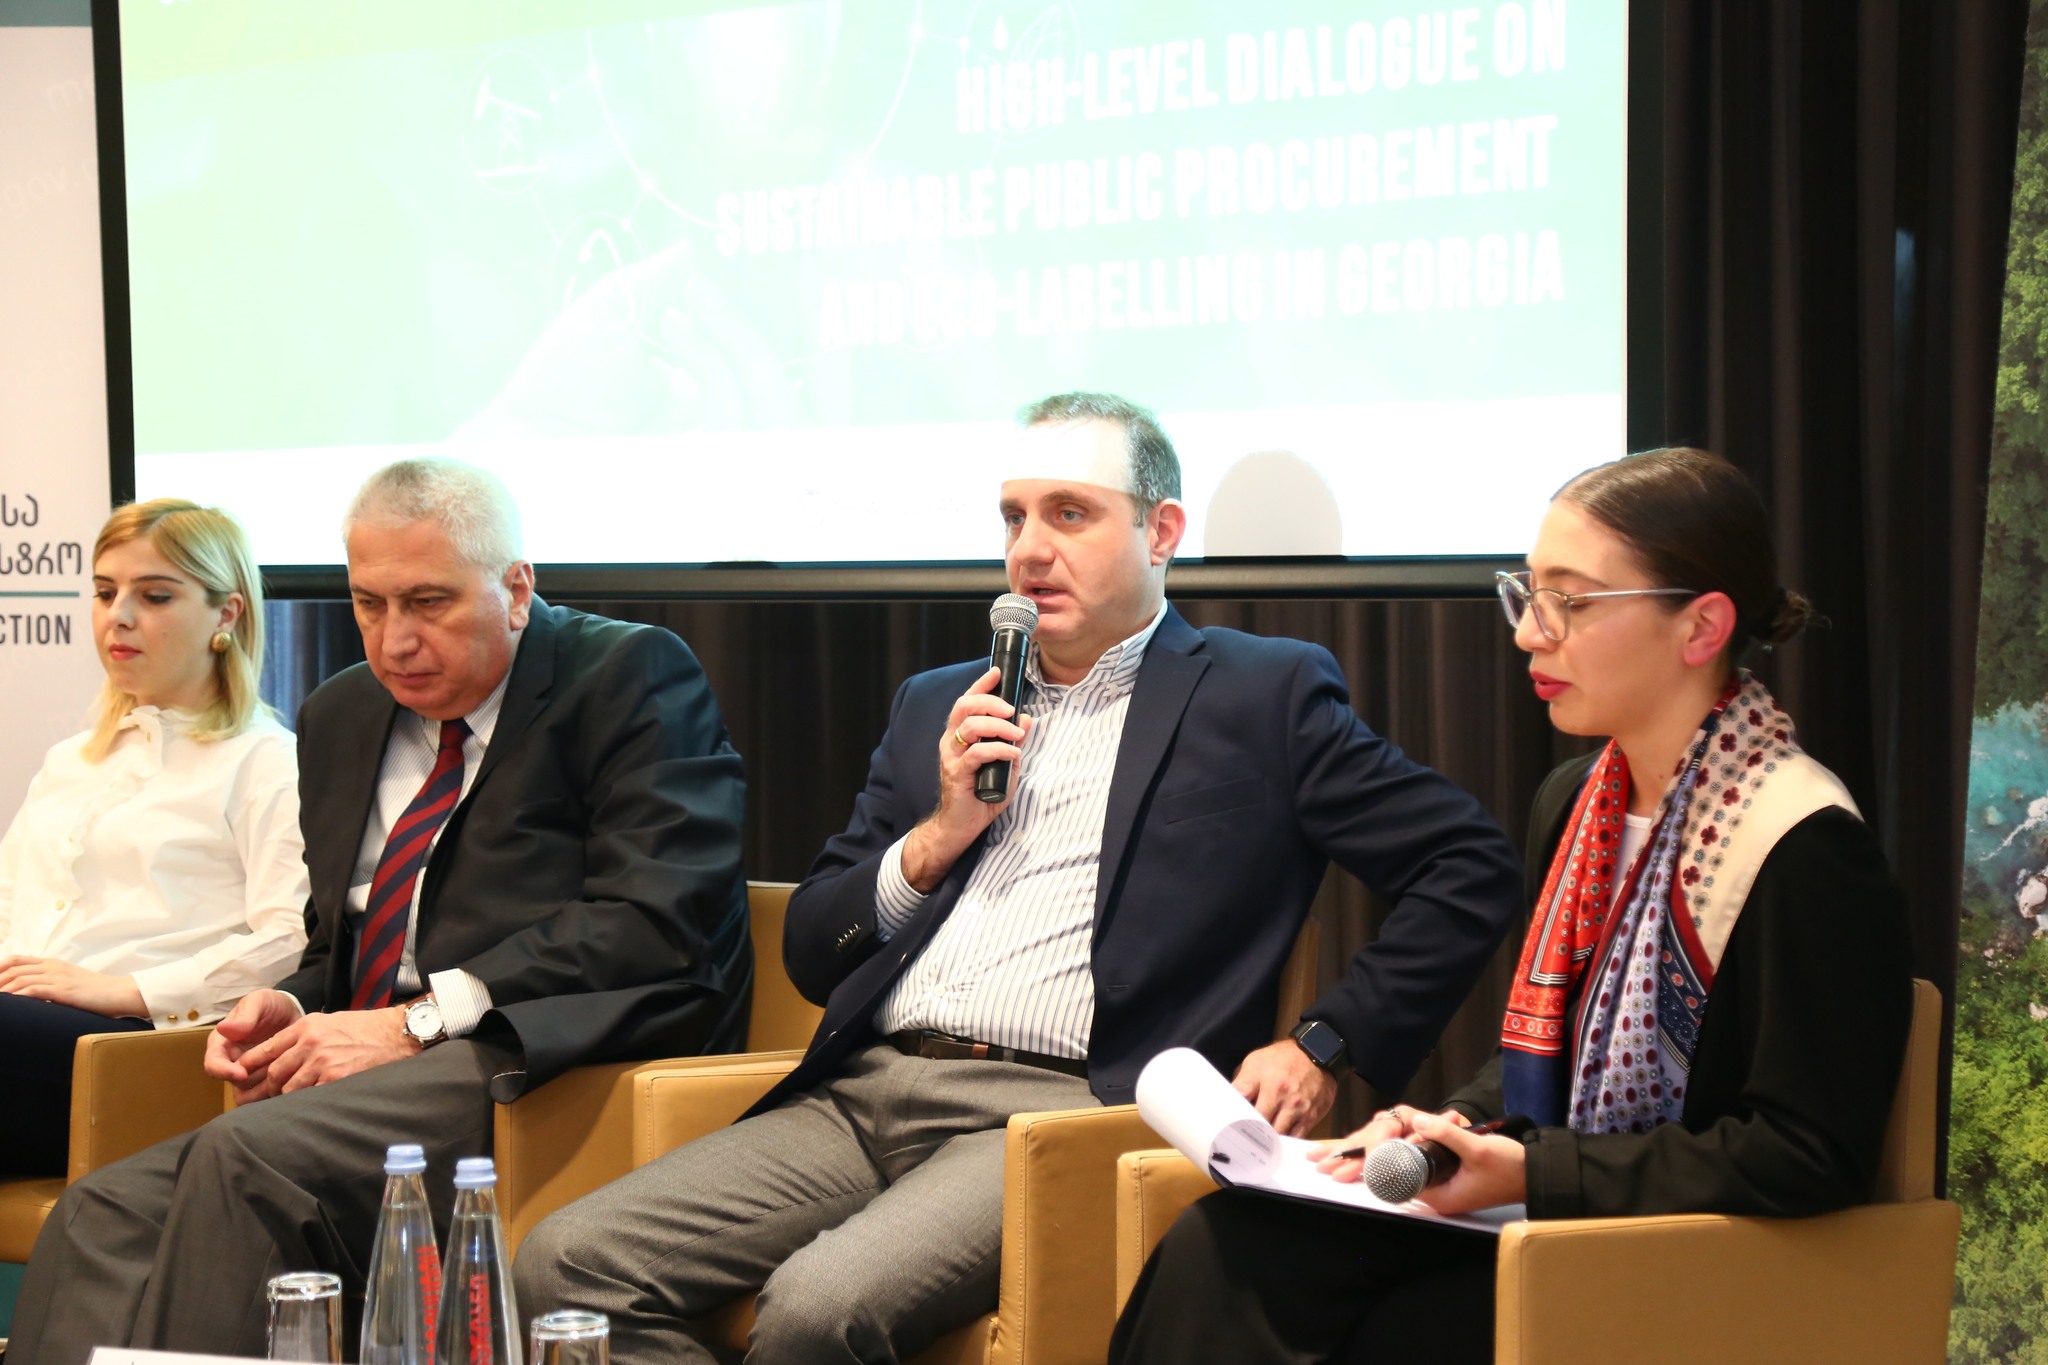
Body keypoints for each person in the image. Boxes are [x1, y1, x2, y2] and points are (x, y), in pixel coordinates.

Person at [513, 392, 1527, 1364]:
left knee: (817, 1310)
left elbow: (1465, 865)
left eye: (1069, 514)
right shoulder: (939, 705)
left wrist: (1323, 1043)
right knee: (565, 1264)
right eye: (1013, 517)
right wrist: (936, 836)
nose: (1029, 549)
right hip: (865, 1089)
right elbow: (814, 950)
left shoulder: (1259, 694)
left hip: (1056, 1111)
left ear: (1162, 531)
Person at [1108, 446, 1917, 1364]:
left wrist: (1538, 1169)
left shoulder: (1803, 841)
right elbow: (1550, 1056)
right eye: (1528, 593)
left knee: (1387, 1331)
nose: (1531, 631)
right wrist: (1451, 1127)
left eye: (1571, 600)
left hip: (1694, 1257)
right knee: (1228, 1248)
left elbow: (1809, 1151)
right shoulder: (1577, 801)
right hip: (1558, 1212)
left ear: (1701, 626)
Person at [10, 458, 753, 1365]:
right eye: (369, 604)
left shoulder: (626, 674)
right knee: (103, 1211)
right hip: (383, 1056)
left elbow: (654, 918)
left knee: (248, 1161)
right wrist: (290, 1002)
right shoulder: (344, 712)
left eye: (428, 602)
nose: (394, 639)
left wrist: (416, 1022)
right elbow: (342, 942)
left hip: (545, 1050)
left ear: (517, 590)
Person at [0, 499, 308, 1175]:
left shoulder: (266, 760)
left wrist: (127, 990)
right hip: (26, 1040)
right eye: (105, 592)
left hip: (148, 1050)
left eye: (155, 595)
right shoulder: (70, 760)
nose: (119, 616)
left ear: (226, 614)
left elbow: (291, 939)